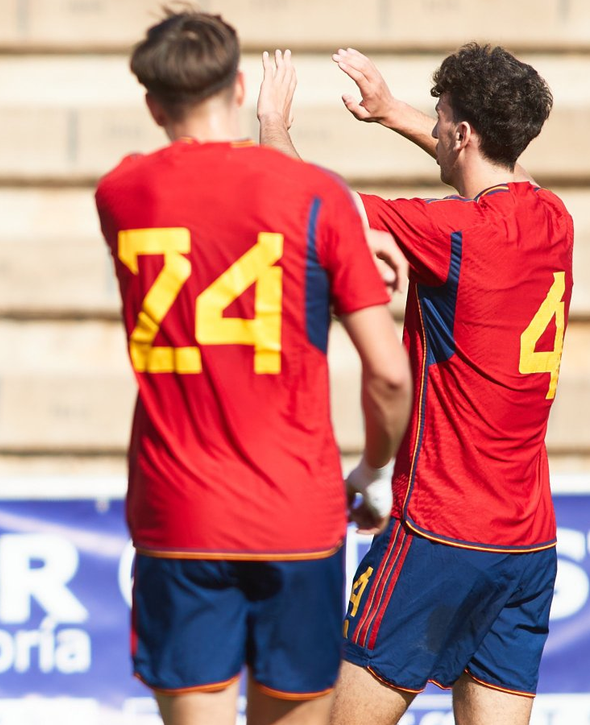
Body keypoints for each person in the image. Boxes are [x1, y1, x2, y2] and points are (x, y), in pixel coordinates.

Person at [96, 11, 412, 725]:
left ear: (152, 104)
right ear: (240, 86)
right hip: (296, 512)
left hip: (179, 511)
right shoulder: (318, 198)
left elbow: (217, 237)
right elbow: (390, 375)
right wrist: (373, 472)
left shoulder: (122, 193)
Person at [259, 44, 573, 725]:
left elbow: (312, 206)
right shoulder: (554, 219)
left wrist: (273, 126)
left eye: (439, 120)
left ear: (461, 133)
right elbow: (501, 168)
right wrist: (394, 111)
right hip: (526, 543)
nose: (431, 128)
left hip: (439, 529)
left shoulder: (455, 232)